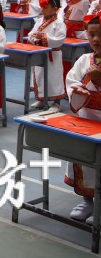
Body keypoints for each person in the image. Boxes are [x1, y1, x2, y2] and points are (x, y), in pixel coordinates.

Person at [65, 15, 101, 221]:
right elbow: (71, 82)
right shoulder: (83, 60)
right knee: (84, 159)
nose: (96, 39)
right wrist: (78, 92)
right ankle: (88, 201)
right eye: (92, 34)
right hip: (85, 118)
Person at [28, 0, 66, 109]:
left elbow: (59, 39)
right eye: (42, 7)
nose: (42, 10)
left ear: (55, 9)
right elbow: (31, 34)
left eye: (45, 8)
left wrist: (43, 37)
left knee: (54, 78)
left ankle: (57, 102)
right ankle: (42, 99)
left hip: (53, 55)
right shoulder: (40, 21)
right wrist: (34, 39)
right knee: (40, 76)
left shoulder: (59, 23)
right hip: (41, 53)